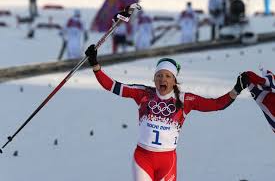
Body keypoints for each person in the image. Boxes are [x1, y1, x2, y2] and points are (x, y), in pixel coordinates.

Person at [84, 42, 250, 180]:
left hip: (167, 160)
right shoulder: (143, 93)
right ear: (154, 78)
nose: (163, 79)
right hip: (143, 157)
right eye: (159, 75)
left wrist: (235, 90)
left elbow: (216, 105)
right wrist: (95, 65)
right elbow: (112, 86)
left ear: (174, 81)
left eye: (168, 76)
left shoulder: (185, 100)